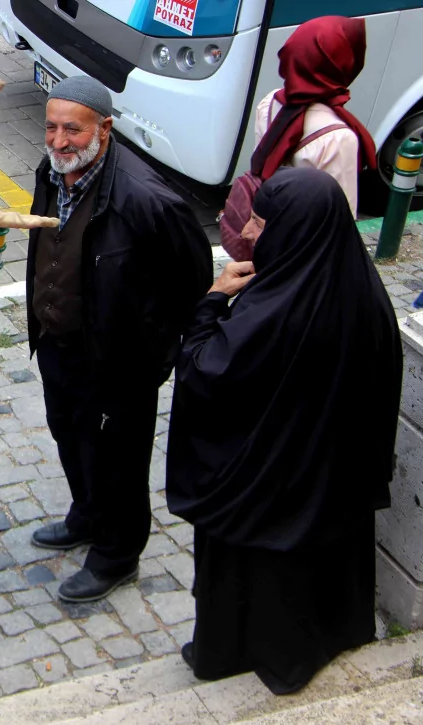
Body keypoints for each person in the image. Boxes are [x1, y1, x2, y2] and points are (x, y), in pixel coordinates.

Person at [166, 168, 402, 695]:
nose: (248, 231)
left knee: (257, 580)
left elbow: (205, 372)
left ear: (294, 232)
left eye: (262, 221)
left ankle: (230, 652)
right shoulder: (363, 292)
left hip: (264, 492)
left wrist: (210, 302)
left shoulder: (271, 309)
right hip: (330, 484)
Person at [26, 75, 212, 603]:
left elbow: (194, 282)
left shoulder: (147, 201)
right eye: (52, 127)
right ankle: (86, 514)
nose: (59, 141)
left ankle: (117, 554)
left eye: (73, 130)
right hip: (60, 344)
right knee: (68, 433)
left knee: (118, 461)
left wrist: (155, 355)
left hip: (120, 363)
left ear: (104, 130)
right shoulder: (53, 170)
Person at [252, 16, 376, 217]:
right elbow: (340, 218)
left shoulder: (269, 102)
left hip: (263, 223)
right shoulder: (338, 138)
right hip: (300, 240)